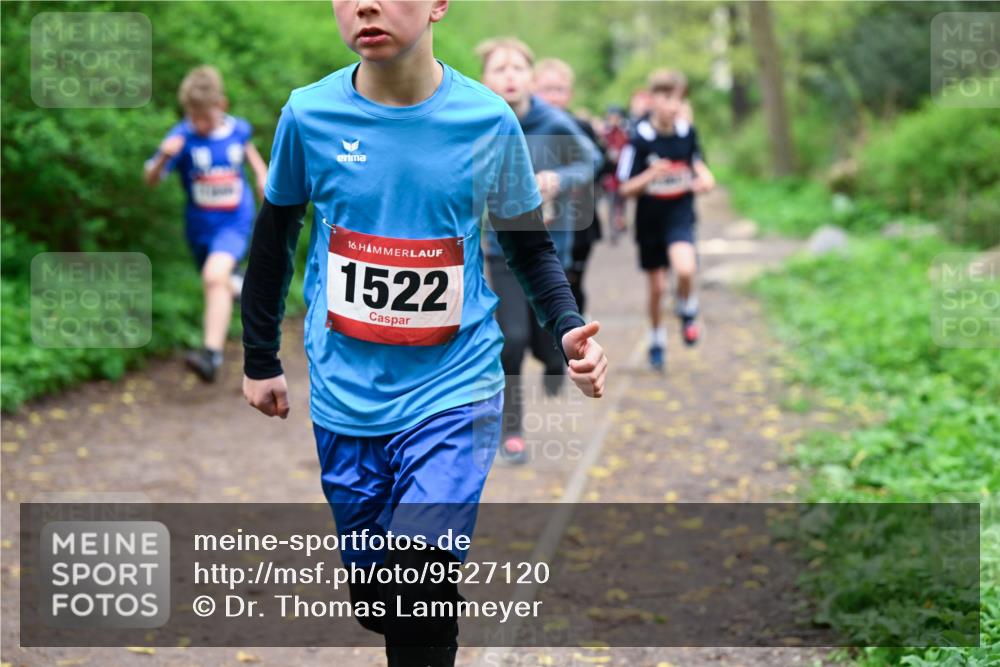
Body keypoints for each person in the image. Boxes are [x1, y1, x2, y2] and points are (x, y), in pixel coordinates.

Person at [240, 2, 608, 665]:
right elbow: (274, 242)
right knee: (380, 595)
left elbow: (528, 249)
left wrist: (569, 328)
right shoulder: (308, 115)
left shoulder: (487, 121)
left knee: (417, 574)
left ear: (439, 4)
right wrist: (261, 355)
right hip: (346, 398)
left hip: (454, 390)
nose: (366, 5)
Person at [477, 39, 603, 465]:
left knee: (548, 343)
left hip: (552, 249)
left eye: (517, 68)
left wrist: (557, 179)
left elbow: (590, 163)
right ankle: (511, 430)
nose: (509, 76)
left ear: (532, 78)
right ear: (485, 80)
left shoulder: (555, 122)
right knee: (509, 338)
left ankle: (553, 362)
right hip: (501, 248)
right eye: (499, 68)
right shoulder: (481, 122)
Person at [144, 65, 268, 382]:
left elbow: (251, 156)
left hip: (234, 223)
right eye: (192, 116)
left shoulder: (238, 129)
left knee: (214, 278)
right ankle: (246, 289)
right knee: (219, 284)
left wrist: (262, 176)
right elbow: (150, 180)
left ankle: (210, 355)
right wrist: (161, 156)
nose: (198, 123)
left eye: (204, 117)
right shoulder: (181, 136)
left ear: (221, 106)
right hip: (199, 228)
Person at [617, 69, 715, 371]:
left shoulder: (687, 133)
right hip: (649, 221)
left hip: (679, 214)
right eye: (664, 98)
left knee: (686, 268)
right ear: (652, 100)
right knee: (657, 288)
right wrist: (650, 176)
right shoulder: (639, 139)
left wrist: (703, 183)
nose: (671, 106)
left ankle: (688, 306)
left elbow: (702, 171)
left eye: (677, 99)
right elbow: (625, 187)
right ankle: (657, 338)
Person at [533, 57, 606, 316]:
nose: (553, 97)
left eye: (559, 90)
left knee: (571, 281)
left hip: (577, 219)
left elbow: (598, 163)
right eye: (546, 89)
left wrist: (567, 178)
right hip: (540, 219)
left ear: (570, 94)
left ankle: (574, 336)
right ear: (533, 89)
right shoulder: (524, 125)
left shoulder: (579, 127)